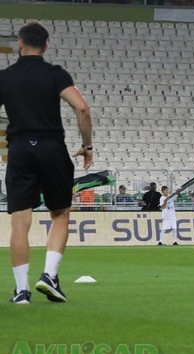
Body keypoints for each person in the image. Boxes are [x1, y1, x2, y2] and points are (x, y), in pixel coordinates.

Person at [1, 21, 93, 304]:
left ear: (19, 43)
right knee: (60, 213)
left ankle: (21, 291)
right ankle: (49, 276)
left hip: (19, 149)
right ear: (46, 46)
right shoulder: (55, 74)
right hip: (52, 147)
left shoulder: (4, 77)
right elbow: (81, 108)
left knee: (20, 221)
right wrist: (87, 145)